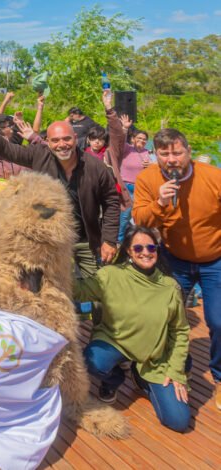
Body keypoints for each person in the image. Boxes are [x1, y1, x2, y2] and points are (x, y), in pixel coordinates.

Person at [0, 106, 120, 280]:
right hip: (50, 242)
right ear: (48, 142)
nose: (62, 145)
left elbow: (111, 201)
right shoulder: (39, 155)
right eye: (56, 140)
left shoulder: (95, 166)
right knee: (52, 289)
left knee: (96, 287)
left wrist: (109, 240)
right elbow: (8, 150)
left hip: (86, 240)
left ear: (75, 139)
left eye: (67, 139)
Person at [131, 128, 221, 409]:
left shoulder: (212, 176)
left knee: (218, 321)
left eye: (177, 152)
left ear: (188, 151)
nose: (171, 159)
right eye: (164, 153)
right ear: (155, 154)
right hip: (174, 259)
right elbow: (140, 220)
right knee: (167, 317)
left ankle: (219, 377)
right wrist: (159, 202)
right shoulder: (148, 178)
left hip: (215, 260)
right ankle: (175, 366)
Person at [75, 226, 191, 432]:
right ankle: (115, 378)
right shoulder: (110, 275)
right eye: (138, 247)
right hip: (115, 340)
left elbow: (180, 331)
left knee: (178, 421)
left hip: (154, 357)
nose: (145, 252)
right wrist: (53, 266)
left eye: (150, 247)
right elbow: (80, 291)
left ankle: (141, 377)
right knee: (91, 361)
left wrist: (175, 371)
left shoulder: (169, 287)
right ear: (128, 251)